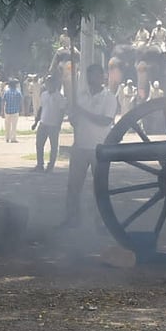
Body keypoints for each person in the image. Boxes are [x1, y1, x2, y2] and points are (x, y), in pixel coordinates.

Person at [63, 63, 117, 229]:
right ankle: (72, 219)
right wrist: (73, 116)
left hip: (99, 148)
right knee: (73, 186)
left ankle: (100, 222)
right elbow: (74, 121)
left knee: (99, 188)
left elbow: (105, 120)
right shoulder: (82, 96)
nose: (92, 79)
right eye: (90, 75)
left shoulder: (109, 97)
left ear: (102, 77)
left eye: (96, 75)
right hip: (80, 145)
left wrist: (83, 112)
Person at [32, 75, 66, 172]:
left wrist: (59, 125)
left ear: (54, 84)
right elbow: (41, 108)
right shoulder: (44, 95)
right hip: (43, 123)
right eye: (47, 83)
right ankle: (40, 164)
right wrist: (36, 122)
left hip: (53, 125)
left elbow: (61, 112)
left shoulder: (60, 97)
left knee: (53, 146)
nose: (48, 85)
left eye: (50, 83)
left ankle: (50, 165)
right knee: (39, 144)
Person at [2, 78, 22, 142]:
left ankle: (7, 138)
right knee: (14, 125)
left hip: (7, 111)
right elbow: (20, 101)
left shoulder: (6, 92)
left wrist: (2, 111)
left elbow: (3, 101)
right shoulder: (18, 92)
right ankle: (13, 138)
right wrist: (21, 109)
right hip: (15, 111)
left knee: (7, 125)